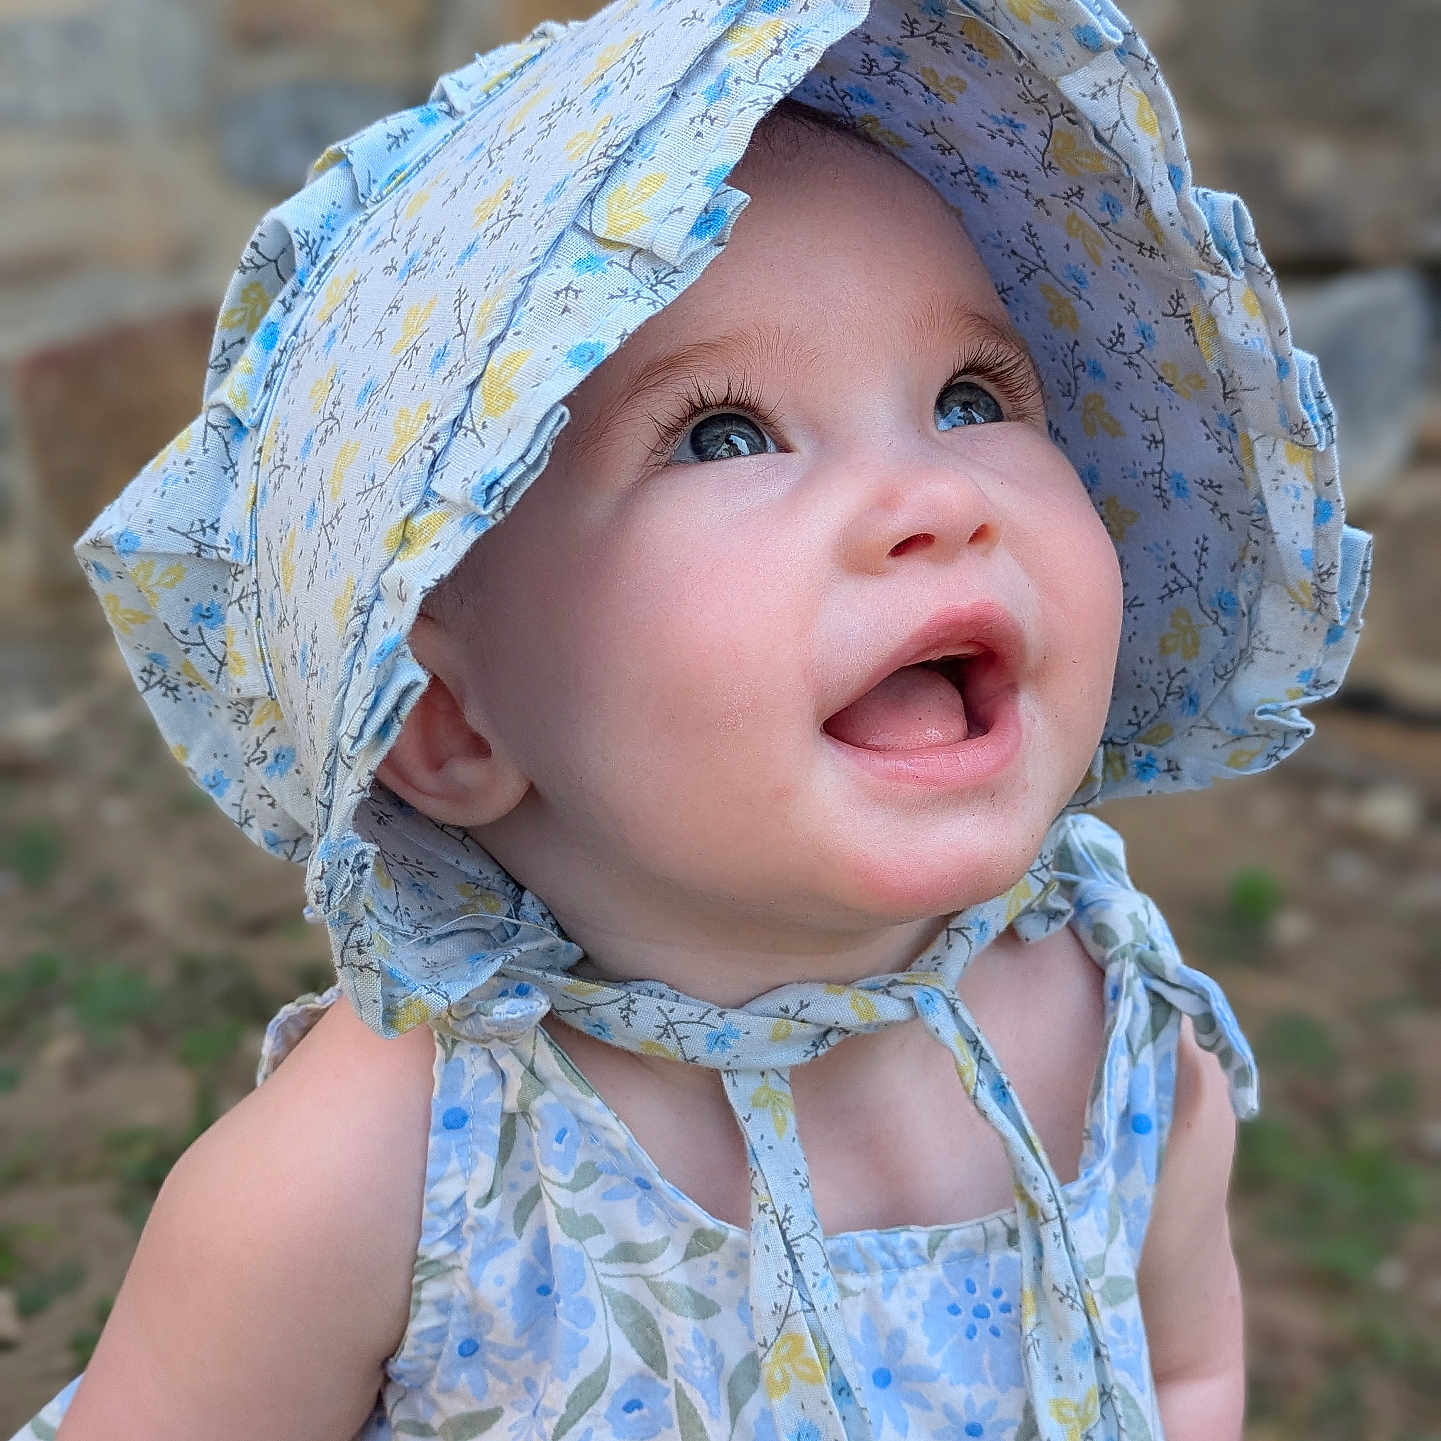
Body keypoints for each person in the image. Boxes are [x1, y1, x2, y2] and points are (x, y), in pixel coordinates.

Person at [15, 1, 1370, 1438]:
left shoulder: (1122, 1041)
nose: (933, 498)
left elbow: (1176, 1374)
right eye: (725, 434)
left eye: (971, 396)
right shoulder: (370, 1185)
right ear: (446, 719)